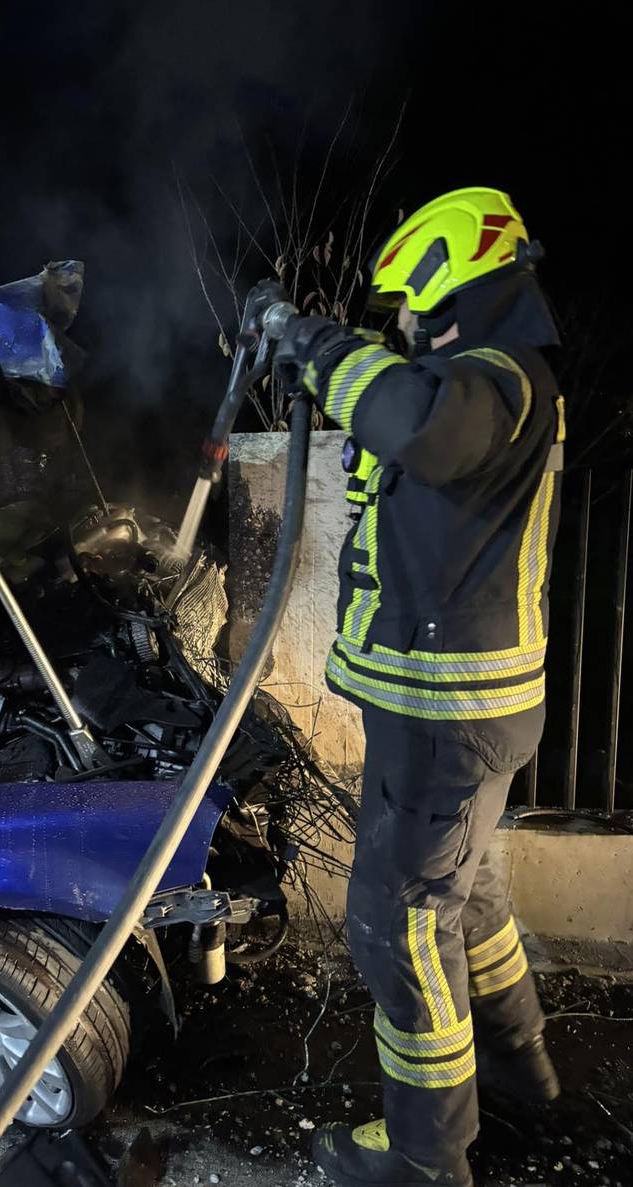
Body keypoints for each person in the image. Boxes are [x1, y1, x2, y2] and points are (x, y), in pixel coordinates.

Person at [269, 187, 564, 1187]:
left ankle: (424, 1158)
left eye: (406, 302)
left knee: (396, 921)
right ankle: (522, 1071)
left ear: (451, 279)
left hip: (445, 713)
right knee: (465, 893)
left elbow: (422, 429)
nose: (398, 322)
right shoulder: (485, 386)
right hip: (460, 711)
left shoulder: (498, 381)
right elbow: (398, 459)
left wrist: (307, 341)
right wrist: (352, 360)